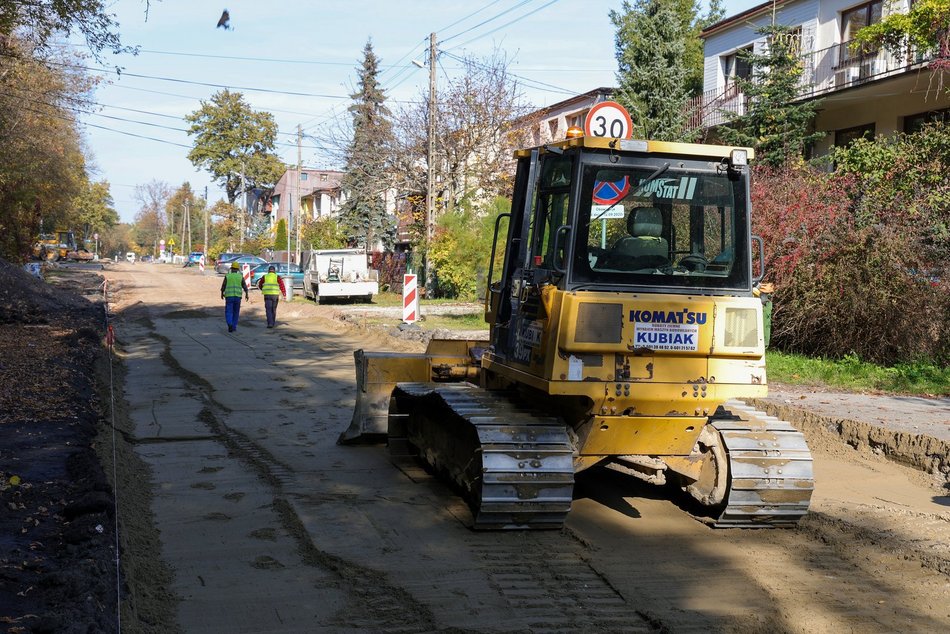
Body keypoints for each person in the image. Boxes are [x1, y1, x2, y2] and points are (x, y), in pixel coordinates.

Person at [220, 262, 249, 332]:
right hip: (237, 297)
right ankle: (234, 326)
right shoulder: (240, 276)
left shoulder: (227, 276)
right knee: (236, 312)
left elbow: (223, 286)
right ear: (238, 269)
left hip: (229, 296)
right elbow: (244, 286)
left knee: (229, 311)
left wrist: (221, 293)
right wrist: (247, 294)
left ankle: (229, 324)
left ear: (231, 268)